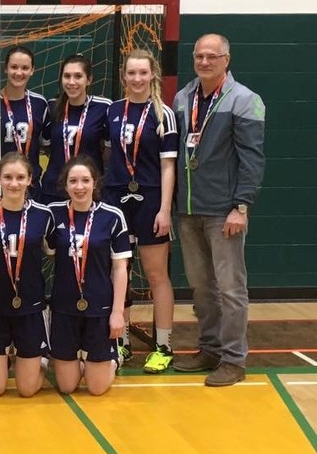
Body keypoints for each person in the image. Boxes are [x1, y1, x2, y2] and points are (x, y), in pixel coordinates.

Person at [172, 33, 265, 387]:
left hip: (224, 211)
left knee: (230, 288)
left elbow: (252, 159)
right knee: (200, 287)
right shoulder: (183, 98)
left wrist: (241, 206)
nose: (205, 61)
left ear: (227, 59)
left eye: (213, 56)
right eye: (199, 56)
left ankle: (233, 359)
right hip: (189, 210)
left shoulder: (245, 100)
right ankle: (209, 348)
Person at [103, 49, 178, 373]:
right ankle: (122, 343)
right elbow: (107, 156)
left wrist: (164, 209)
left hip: (149, 200)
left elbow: (168, 167)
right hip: (116, 199)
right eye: (131, 73)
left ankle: (163, 345)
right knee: (118, 271)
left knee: (156, 274)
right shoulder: (113, 111)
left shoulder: (164, 114)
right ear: (124, 76)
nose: (136, 79)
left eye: (142, 73)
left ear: (153, 75)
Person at [47, 156, 131, 395]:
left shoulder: (113, 216)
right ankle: (76, 362)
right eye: (73, 181)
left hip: (99, 308)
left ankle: (108, 360)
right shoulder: (54, 214)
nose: (79, 186)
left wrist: (117, 313)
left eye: (85, 180)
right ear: (65, 185)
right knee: (66, 386)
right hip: (64, 308)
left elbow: (120, 268)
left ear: (95, 183)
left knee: (96, 389)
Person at [0, 153, 52, 398]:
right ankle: (2, 364)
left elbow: (56, 252)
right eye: (8, 177)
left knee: (27, 391)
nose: (14, 183)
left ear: (30, 179)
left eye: (20, 177)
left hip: (30, 307)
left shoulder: (43, 215)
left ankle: (42, 363)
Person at [40, 54, 111, 204]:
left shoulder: (104, 107)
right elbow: (47, 146)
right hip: (54, 190)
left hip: (88, 190)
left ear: (89, 79)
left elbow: (109, 149)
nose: (71, 82)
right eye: (67, 76)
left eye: (78, 76)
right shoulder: (52, 106)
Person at [0, 46, 49, 199]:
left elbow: (46, 146)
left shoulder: (40, 104)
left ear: (32, 70)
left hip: (30, 186)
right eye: (14, 67)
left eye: (25, 68)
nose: (19, 73)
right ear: (5, 69)